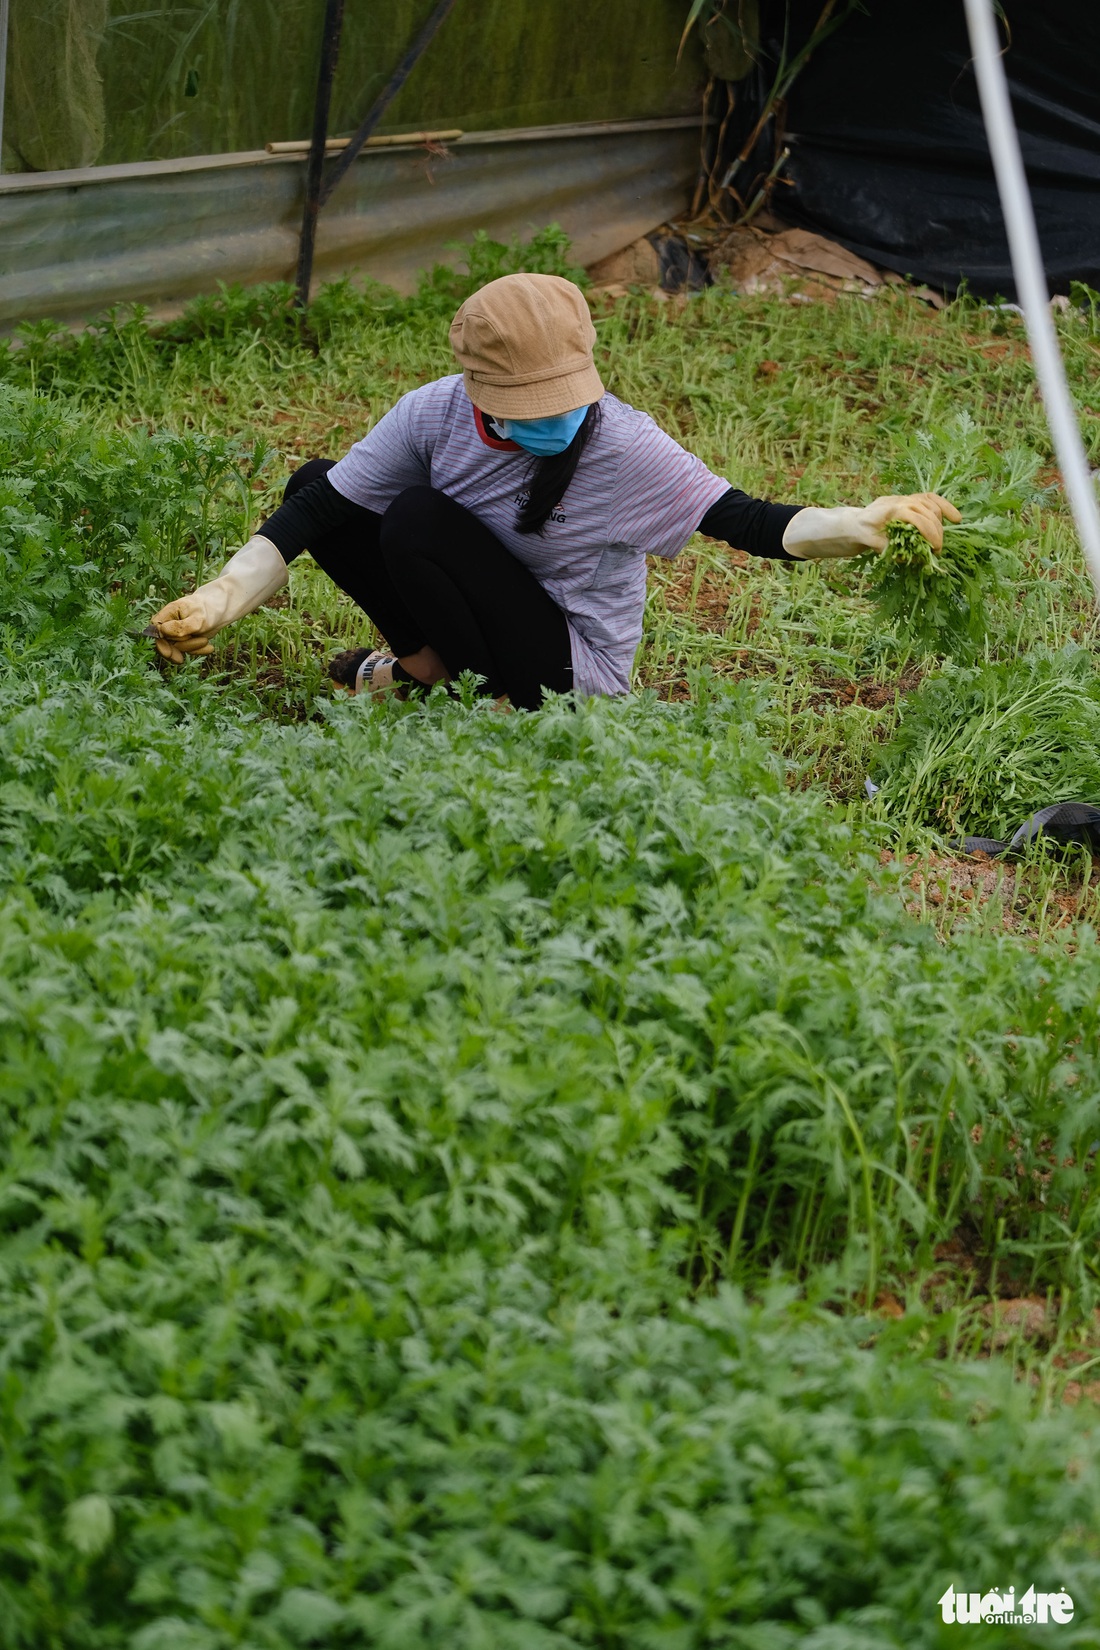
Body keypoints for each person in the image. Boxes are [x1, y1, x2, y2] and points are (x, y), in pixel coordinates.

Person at [148, 272, 960, 709]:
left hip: (569, 665)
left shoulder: (625, 445)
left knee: (421, 518)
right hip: (474, 614)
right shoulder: (433, 414)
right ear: (476, 389)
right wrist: (220, 598)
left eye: (567, 397)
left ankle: (467, 687)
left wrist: (862, 522)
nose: (559, 419)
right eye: (531, 405)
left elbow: (747, 521)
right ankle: (433, 666)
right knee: (323, 482)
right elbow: (316, 514)